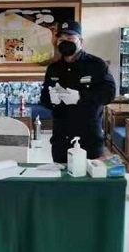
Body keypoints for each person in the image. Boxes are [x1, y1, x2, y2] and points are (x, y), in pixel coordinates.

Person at [40, 20, 116, 163]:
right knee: (61, 176)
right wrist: (52, 100)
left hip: (89, 139)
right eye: (61, 39)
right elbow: (43, 99)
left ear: (80, 41)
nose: (65, 42)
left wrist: (80, 97)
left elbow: (109, 95)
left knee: (91, 176)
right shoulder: (53, 68)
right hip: (61, 139)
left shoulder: (97, 65)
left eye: (70, 38)